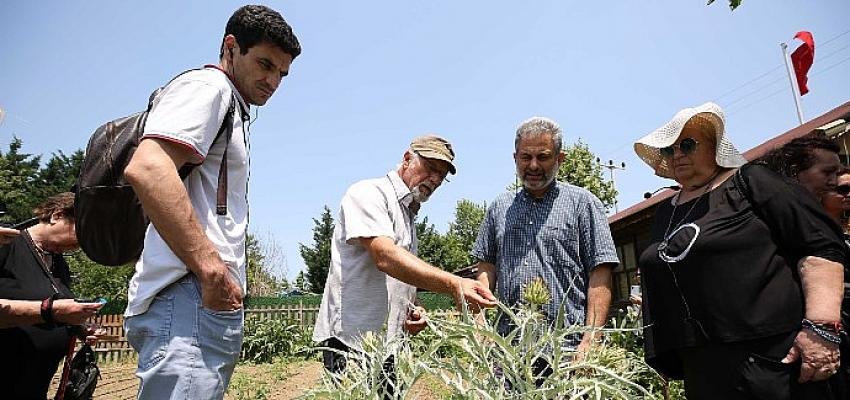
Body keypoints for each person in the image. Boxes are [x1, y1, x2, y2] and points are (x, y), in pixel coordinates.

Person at [121, 5, 301, 399]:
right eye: (265, 64)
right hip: (187, 296)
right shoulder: (209, 88)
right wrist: (211, 269)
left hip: (194, 301)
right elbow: (148, 168)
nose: (272, 81)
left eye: (282, 74)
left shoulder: (231, 105)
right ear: (231, 47)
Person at [634, 102, 846, 400]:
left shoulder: (752, 181)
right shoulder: (665, 211)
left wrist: (821, 329)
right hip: (704, 368)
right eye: (669, 150)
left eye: (687, 144)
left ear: (715, 147)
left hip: (774, 360)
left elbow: (820, 246)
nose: (677, 154)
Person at [313, 135, 497, 390]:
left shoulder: (408, 213)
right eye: (431, 168)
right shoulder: (369, 193)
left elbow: (398, 275)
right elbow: (385, 257)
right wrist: (455, 284)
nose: (435, 179)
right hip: (351, 342)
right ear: (407, 159)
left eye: (441, 176)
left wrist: (415, 306)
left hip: (388, 344)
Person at [471, 116, 619, 382]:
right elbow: (486, 270)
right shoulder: (499, 208)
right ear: (515, 158)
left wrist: (590, 339)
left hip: (567, 349)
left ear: (560, 158)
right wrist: (481, 327)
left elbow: (601, 273)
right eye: (526, 157)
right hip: (509, 349)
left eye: (544, 156)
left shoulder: (583, 204)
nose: (534, 165)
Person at [0, 192, 105, 400]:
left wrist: (78, 327)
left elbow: (51, 311)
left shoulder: (57, 262)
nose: (82, 243)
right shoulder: (6, 244)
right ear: (57, 215)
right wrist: (53, 311)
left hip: (33, 386)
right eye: (82, 231)